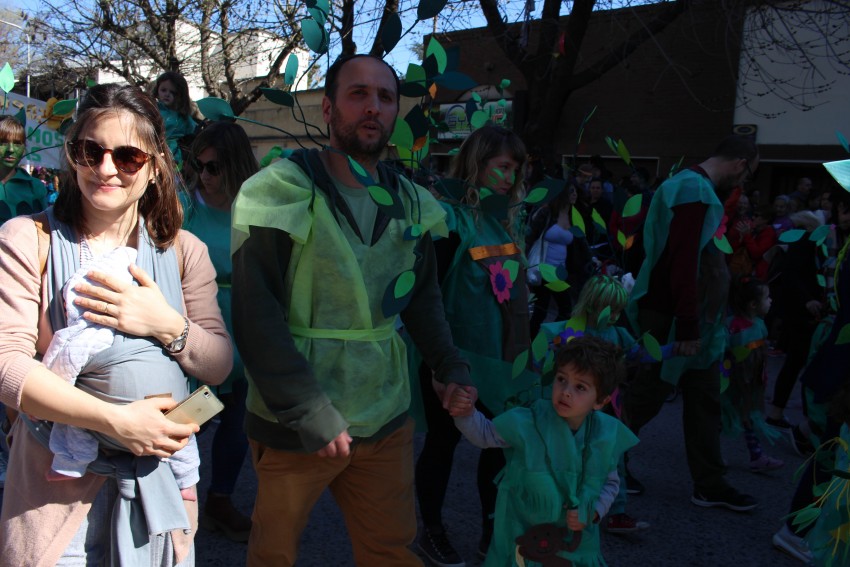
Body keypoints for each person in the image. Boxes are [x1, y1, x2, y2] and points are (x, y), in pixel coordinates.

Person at [230, 54, 472, 567]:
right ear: (327, 109)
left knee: (391, 550)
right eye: (358, 94)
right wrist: (309, 411)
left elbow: (423, 299)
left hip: (384, 413)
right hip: (295, 419)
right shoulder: (280, 191)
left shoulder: (411, 201)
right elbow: (257, 314)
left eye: (385, 97)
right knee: (272, 554)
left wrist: (449, 368)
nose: (373, 107)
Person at [0, 83, 233, 565]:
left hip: (160, 488)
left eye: (127, 157)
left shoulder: (186, 252)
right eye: (91, 151)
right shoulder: (28, 239)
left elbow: (218, 368)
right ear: (72, 156)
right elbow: (6, 364)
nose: (106, 168)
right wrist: (117, 423)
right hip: (55, 493)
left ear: (153, 168)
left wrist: (167, 324)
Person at [622, 135, 759, 512]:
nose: (743, 184)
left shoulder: (695, 189)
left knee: (704, 399)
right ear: (740, 163)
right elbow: (682, 261)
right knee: (647, 393)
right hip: (675, 315)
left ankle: (710, 483)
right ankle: (604, 463)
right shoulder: (692, 189)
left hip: (698, 318)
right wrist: (686, 325)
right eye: (747, 174)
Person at [414, 124, 530, 566]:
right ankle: (433, 531)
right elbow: (430, 295)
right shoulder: (449, 221)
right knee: (443, 445)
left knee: (499, 445)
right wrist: (441, 366)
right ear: (477, 164)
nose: (510, 177)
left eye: (515, 170)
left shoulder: (505, 221)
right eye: (502, 167)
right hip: (454, 358)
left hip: (501, 360)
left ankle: (491, 530)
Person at [447, 336, 638, 566]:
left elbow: (610, 482)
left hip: (576, 544)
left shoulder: (604, 436)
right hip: (523, 536)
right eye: (561, 379)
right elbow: (485, 434)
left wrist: (594, 511)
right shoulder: (530, 420)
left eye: (580, 387)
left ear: (600, 400)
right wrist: (465, 412)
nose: (566, 391)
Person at [181, 121, 259, 542]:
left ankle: (219, 502)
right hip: (199, 330)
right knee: (193, 419)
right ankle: (168, 497)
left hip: (243, 329)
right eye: (199, 165)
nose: (205, 176)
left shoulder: (255, 208)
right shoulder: (183, 206)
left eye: (214, 167)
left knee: (236, 422)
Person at [721, 276, 783, 472]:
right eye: (767, 297)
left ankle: (756, 455)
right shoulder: (732, 326)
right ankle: (715, 453)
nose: (770, 301)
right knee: (724, 416)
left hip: (752, 382)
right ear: (753, 304)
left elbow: (761, 355)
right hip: (733, 381)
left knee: (747, 416)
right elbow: (726, 353)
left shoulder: (760, 324)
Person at [527, 185, 592, 338]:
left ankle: (546, 340)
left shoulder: (573, 215)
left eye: (576, 190)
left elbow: (581, 242)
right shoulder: (547, 213)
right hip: (543, 269)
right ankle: (536, 342)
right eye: (571, 191)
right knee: (547, 309)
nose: (574, 194)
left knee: (560, 310)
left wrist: (590, 258)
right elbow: (530, 236)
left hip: (561, 272)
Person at [0, 115, 48, 224]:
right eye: (3, 142)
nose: (11, 149)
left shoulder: (36, 187)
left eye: (17, 143)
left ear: (24, 148)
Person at [152, 71, 197, 167]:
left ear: (181, 96)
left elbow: (194, 130)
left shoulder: (183, 116)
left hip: (174, 157)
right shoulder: (152, 110)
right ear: (157, 91)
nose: (167, 94)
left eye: (173, 92)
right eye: (163, 90)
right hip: (152, 151)